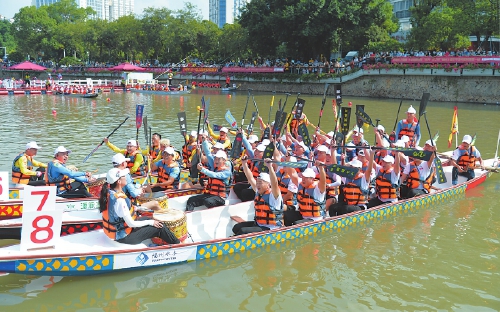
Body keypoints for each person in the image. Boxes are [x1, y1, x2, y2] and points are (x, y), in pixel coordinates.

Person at [99, 167, 180, 245]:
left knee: (151, 219)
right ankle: (177, 244)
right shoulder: (119, 200)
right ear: (119, 181)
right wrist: (151, 223)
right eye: (124, 176)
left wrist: (137, 208)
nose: (126, 177)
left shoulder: (109, 192)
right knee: (160, 227)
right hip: (123, 237)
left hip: (117, 233)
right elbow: (131, 224)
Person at [232, 159, 283, 235]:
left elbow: (274, 183)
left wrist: (270, 167)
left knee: (243, 231)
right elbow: (250, 178)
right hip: (259, 224)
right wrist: (244, 163)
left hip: (271, 228)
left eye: (260, 183)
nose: (257, 185)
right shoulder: (258, 192)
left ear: (268, 185)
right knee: (236, 227)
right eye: (257, 182)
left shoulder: (274, 195)